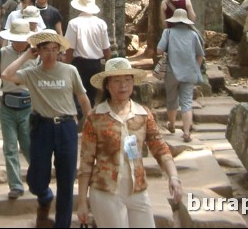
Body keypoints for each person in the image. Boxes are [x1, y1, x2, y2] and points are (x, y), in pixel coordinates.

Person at [77, 58, 183, 228]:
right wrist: (82, 202)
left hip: (137, 190)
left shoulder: (143, 114)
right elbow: (86, 162)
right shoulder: (95, 117)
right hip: (105, 191)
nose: (123, 85)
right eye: (117, 81)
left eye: (127, 80)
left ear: (133, 83)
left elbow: (159, 147)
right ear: (107, 85)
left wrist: (174, 177)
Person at [2, 30, 91, 229]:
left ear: (59, 50)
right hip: (42, 128)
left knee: (66, 182)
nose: (50, 54)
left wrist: (91, 123)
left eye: (54, 49)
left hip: (67, 127)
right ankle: (44, 197)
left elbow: (82, 98)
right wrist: (26, 55)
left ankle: (62, 225)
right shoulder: (31, 73)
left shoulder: (70, 71)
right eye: (46, 50)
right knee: (36, 180)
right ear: (39, 51)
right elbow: (6, 75)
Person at [0, 19, 36, 199]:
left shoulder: (35, 56)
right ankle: (15, 185)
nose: (18, 42)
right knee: (10, 147)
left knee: (29, 146)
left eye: (21, 39)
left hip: (28, 106)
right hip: (7, 107)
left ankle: (37, 180)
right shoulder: (3, 54)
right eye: (15, 39)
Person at [157, 8, 205, 142]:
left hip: (172, 71)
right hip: (189, 71)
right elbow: (200, 55)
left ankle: (171, 125)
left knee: (172, 99)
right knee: (187, 102)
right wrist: (196, 67)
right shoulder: (193, 35)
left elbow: (159, 49)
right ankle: (186, 132)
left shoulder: (168, 32)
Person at [65, 0, 111, 110]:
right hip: (95, 65)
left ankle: (80, 123)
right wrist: (109, 67)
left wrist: (66, 66)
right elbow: (106, 48)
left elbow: (70, 48)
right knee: (91, 97)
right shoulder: (101, 24)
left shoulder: (74, 23)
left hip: (79, 64)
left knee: (77, 97)